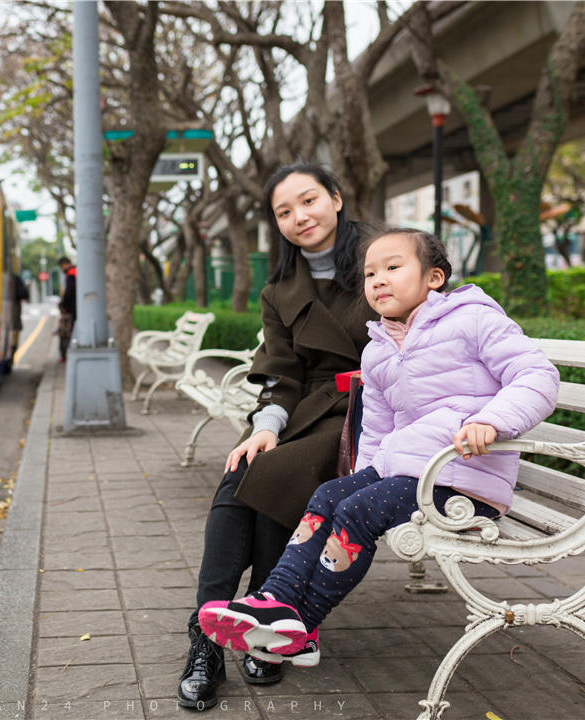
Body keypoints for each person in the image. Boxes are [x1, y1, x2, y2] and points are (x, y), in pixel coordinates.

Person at [196, 228, 560, 669]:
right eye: (370, 273)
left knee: (357, 510)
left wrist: (491, 421)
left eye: (393, 267)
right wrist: (361, 474)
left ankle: (303, 627)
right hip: (411, 473)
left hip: (464, 479)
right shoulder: (379, 351)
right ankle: (276, 598)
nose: (378, 280)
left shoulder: (473, 320)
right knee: (331, 495)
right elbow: (378, 430)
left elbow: (537, 375)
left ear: (434, 277)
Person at [178, 163, 377, 709]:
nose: (299, 217)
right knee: (244, 467)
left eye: (309, 201)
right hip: (309, 405)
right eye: (284, 211)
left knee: (277, 474)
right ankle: (210, 638)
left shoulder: (382, 257)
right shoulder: (280, 289)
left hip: (377, 409)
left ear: (336, 198)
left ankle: (261, 622)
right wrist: (265, 426)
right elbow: (281, 375)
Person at [57, 256, 77, 361]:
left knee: (66, 332)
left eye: (62, 266)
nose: (62, 269)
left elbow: (69, 292)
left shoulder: (71, 274)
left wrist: (63, 305)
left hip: (72, 309)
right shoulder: (76, 271)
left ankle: (65, 355)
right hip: (76, 308)